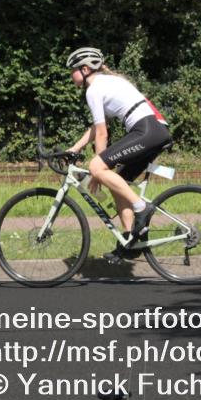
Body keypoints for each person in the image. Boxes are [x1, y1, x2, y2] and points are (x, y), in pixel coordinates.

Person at [64, 47, 172, 263]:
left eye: (72, 70)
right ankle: (131, 240)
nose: (70, 75)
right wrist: (75, 148)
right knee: (118, 182)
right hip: (154, 129)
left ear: (85, 69)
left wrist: (97, 167)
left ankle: (142, 208)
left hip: (147, 130)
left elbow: (103, 133)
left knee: (98, 168)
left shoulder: (93, 89)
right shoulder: (105, 83)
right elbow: (97, 128)